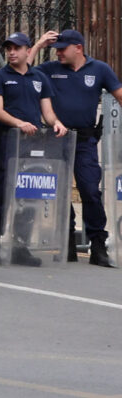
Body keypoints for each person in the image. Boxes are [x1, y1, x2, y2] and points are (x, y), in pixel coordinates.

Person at [34, 27, 122, 267]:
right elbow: (22, 69)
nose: (58, 54)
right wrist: (39, 45)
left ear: (79, 48)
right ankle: (67, 244)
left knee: (90, 191)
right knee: (60, 193)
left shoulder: (99, 69)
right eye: (56, 50)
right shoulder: (50, 70)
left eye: (62, 50)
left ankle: (98, 245)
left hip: (84, 140)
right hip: (57, 138)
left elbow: (119, 93)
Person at [0, 32, 67, 266]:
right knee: (2, 194)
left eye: (16, 48)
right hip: (6, 141)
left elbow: (47, 112)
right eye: (8, 48)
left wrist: (56, 123)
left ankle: (21, 245)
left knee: (28, 195)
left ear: (27, 51)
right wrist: (19, 123)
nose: (11, 52)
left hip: (32, 145)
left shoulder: (39, 77)